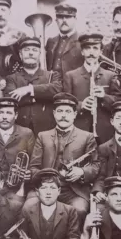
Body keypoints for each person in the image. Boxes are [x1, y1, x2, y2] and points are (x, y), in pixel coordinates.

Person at [27, 92, 100, 220]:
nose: (64, 116)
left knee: (79, 209)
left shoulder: (87, 137)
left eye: (68, 111)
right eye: (60, 111)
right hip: (44, 188)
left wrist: (81, 172)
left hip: (73, 191)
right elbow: (33, 167)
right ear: (54, 114)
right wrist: (45, 182)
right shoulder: (42, 136)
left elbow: (95, 165)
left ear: (75, 114)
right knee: (29, 206)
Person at [64, 33, 121, 142]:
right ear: (82, 52)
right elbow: (66, 103)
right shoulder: (70, 76)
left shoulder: (110, 75)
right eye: (87, 48)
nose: (91, 52)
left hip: (104, 132)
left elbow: (118, 103)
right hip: (78, 130)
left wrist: (104, 96)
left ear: (101, 52)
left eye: (95, 48)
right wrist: (81, 105)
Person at [4, 36, 62, 135]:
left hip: (47, 132)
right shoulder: (11, 78)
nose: (31, 53)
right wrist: (42, 96)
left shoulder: (51, 75)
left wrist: (29, 89)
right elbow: (10, 99)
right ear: (20, 55)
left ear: (40, 55)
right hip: (19, 133)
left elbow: (56, 91)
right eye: (26, 50)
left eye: (34, 50)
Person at [45, 3, 83, 78]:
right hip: (51, 86)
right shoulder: (50, 42)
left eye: (68, 17)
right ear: (56, 20)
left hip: (73, 87)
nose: (64, 20)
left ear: (75, 19)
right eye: (60, 17)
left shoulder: (82, 41)